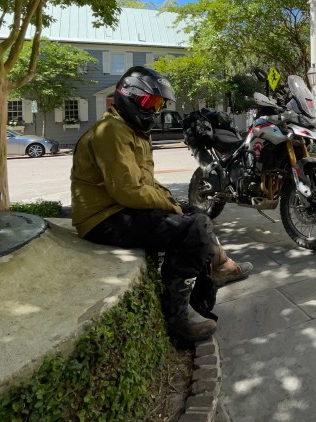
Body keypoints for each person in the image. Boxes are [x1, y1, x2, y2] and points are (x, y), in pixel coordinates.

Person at [70, 66, 252, 342]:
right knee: (189, 230)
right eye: (148, 102)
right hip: (103, 218)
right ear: (128, 96)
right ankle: (177, 317)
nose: (153, 110)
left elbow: (145, 182)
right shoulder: (111, 131)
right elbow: (128, 191)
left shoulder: (131, 130)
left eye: (157, 104)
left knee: (197, 216)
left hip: (119, 209)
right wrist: (171, 207)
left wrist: (173, 201)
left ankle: (219, 267)